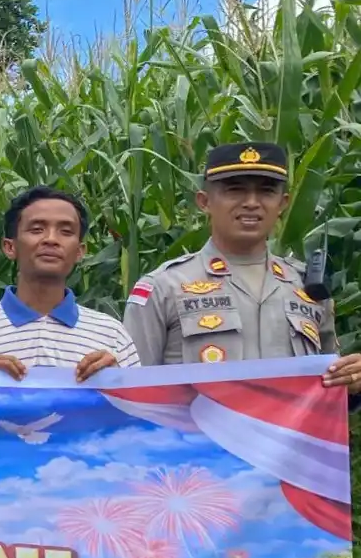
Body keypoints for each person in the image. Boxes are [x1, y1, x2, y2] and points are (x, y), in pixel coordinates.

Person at [123, 142, 361, 400]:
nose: (251, 203)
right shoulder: (164, 287)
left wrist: (352, 382)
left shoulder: (307, 287)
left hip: (287, 440)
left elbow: (330, 392)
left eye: (266, 192)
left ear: (282, 203)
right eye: (234, 190)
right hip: (201, 438)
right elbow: (130, 395)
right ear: (204, 201)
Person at [0, 185, 139, 381]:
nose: (51, 239)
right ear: (10, 247)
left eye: (65, 231)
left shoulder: (112, 335)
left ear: (80, 251)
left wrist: (118, 382)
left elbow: (141, 409)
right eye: (37, 229)